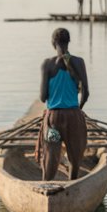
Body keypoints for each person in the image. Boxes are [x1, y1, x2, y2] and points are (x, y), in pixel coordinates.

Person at [36, 27, 89, 182]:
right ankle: (72, 184)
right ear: (68, 42)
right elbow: (86, 93)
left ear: (53, 43)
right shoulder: (79, 62)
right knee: (74, 158)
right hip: (74, 117)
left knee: (50, 158)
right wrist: (78, 110)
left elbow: (43, 97)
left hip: (53, 119)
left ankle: (46, 185)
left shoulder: (47, 64)